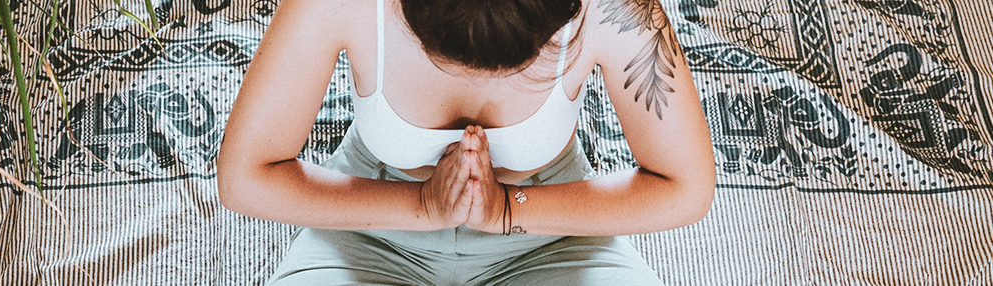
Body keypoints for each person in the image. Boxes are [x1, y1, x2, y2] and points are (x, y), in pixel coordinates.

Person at [217, 0, 715, 284]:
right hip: (366, 229)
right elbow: (245, 178)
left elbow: (685, 187)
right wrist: (421, 206)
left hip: (548, 238)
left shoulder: (614, 10)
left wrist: (506, 212)